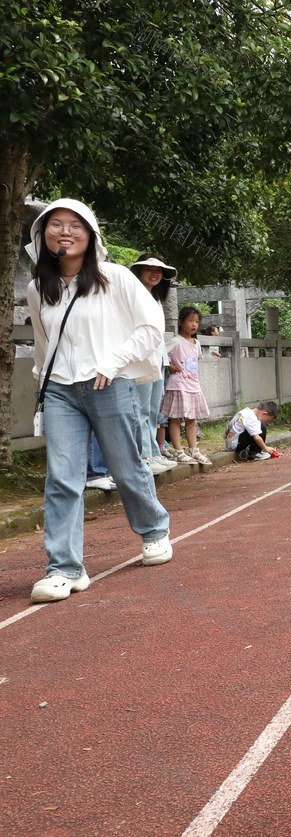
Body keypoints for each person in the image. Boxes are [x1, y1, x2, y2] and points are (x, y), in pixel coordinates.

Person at [25, 198, 173, 603]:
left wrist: (115, 359)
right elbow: (44, 344)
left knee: (126, 468)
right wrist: (42, 385)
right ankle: (64, 568)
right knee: (62, 476)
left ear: (90, 235)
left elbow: (151, 327)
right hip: (60, 390)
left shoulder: (115, 278)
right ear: (42, 235)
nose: (65, 232)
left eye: (76, 225)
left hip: (109, 384)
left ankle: (154, 530)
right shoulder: (38, 288)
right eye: (55, 225)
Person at [130, 254, 179, 475]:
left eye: (159, 270)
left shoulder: (156, 299)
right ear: (139, 271)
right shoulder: (132, 297)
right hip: (140, 360)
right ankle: (143, 455)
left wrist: (166, 361)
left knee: (152, 409)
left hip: (158, 360)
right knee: (140, 409)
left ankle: (152, 451)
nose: (155, 273)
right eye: (149, 269)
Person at [161, 306, 213, 464]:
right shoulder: (176, 341)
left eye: (197, 322)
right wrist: (169, 366)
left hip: (193, 386)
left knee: (191, 420)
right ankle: (178, 451)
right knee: (176, 419)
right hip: (178, 386)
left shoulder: (196, 343)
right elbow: (160, 353)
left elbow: (195, 360)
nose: (194, 325)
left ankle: (193, 450)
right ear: (180, 322)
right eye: (190, 321)